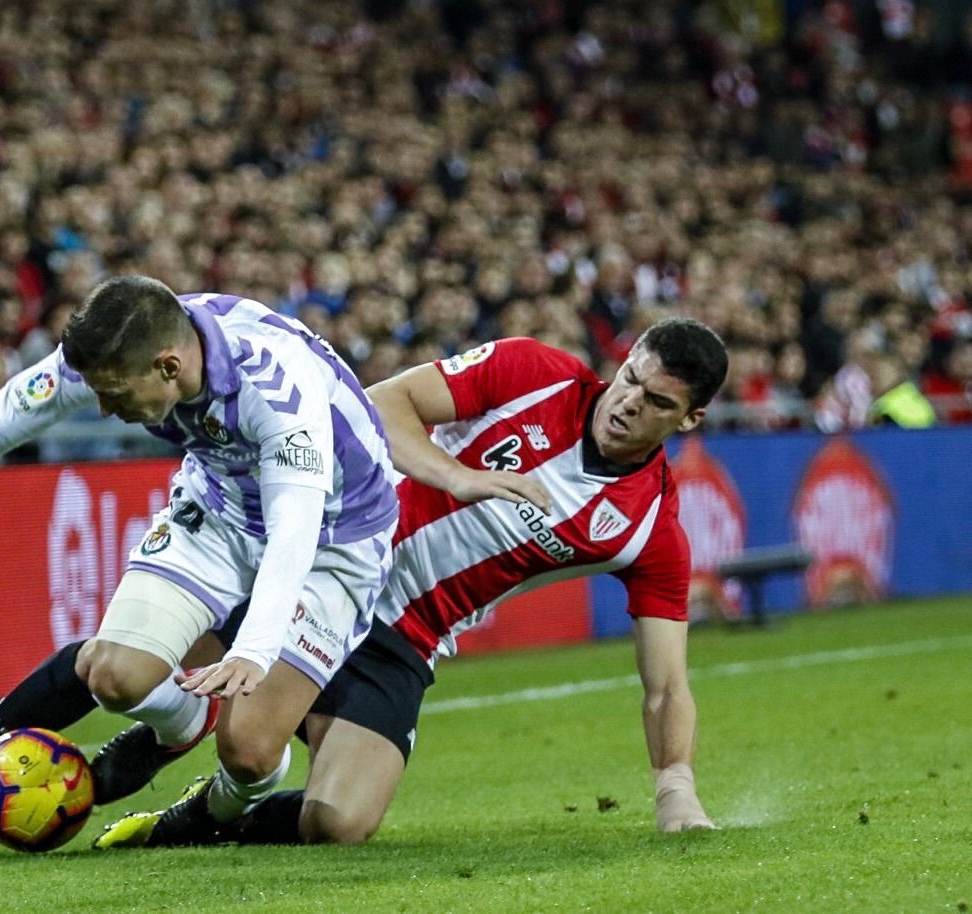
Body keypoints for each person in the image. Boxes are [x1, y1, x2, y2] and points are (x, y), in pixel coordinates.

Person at [92, 317, 726, 847]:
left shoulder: (650, 528)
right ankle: (117, 752)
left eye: (658, 402)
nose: (630, 402)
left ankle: (213, 814)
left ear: (689, 419)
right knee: (154, 665)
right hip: (333, 565)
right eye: (631, 378)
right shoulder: (536, 373)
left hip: (408, 636)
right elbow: (381, 404)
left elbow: (667, 684)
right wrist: (453, 474)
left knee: (337, 824)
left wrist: (675, 784)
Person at [0, 276, 404, 840]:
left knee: (249, 752)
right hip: (220, 506)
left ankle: (205, 817)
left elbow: (294, 527)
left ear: (169, 367)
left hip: (335, 539)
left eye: (115, 393)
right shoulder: (114, 348)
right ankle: (185, 721)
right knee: (115, 677)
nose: (103, 406)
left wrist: (253, 648)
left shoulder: (276, 389)